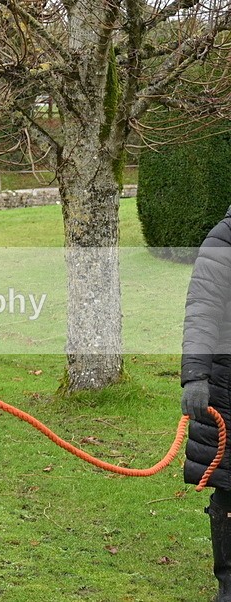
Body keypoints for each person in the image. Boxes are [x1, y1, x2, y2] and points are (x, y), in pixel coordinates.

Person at [181, 209, 231, 602]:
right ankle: (228, 583)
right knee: (230, 493)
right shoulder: (223, 240)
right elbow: (202, 311)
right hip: (227, 387)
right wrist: (195, 377)